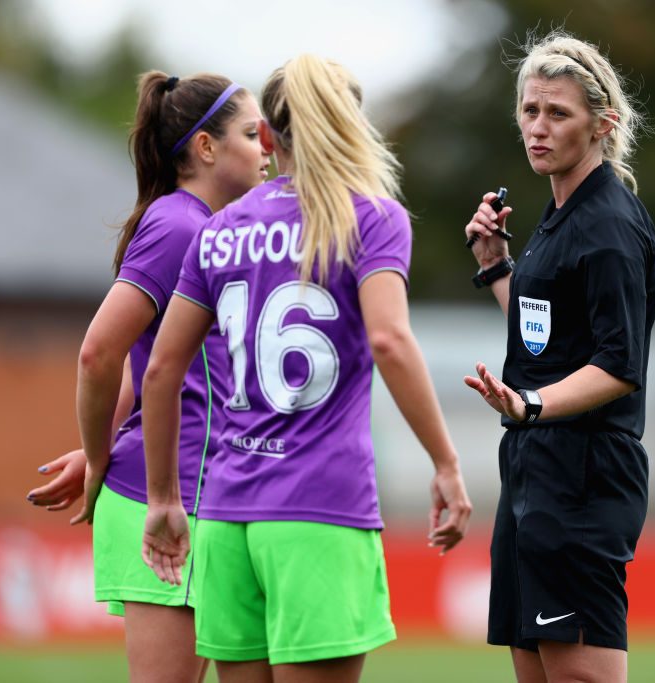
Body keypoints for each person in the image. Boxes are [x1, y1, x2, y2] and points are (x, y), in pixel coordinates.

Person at [140, 54, 472, 683]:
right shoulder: (370, 218)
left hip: (227, 518)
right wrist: (447, 464)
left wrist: (164, 497)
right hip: (319, 510)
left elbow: (160, 370)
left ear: (267, 136)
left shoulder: (219, 230)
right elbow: (391, 341)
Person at [29, 70, 269, 683]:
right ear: (206, 148)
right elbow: (99, 353)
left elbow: (149, 363)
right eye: (249, 131)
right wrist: (100, 456)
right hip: (166, 500)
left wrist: (100, 448)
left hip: (202, 495)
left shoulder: (213, 228)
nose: (266, 144)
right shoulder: (180, 225)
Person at [462, 31, 655, 683]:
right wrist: (496, 269)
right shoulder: (559, 214)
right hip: (534, 471)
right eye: (529, 110)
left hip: (582, 477)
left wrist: (533, 404)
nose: (537, 127)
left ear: (602, 124)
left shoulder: (608, 226)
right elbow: (544, 339)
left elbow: (619, 363)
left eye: (558, 113)